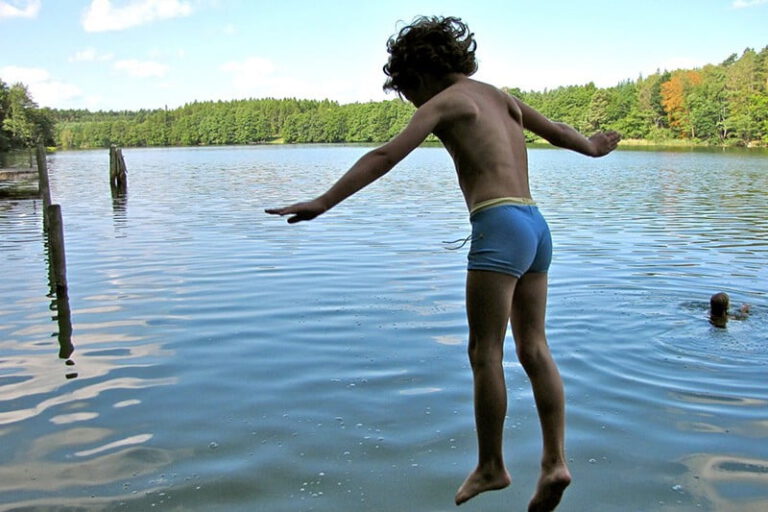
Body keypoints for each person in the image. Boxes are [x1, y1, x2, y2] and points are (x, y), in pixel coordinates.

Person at [266, 16, 620, 511]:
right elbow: (558, 132)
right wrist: (594, 147)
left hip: (498, 224)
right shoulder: (501, 97)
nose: (412, 101)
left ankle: (492, 466)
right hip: (536, 226)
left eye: (408, 90)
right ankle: (554, 461)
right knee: (535, 347)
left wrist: (324, 201)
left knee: (484, 353)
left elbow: (386, 155)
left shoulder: (445, 102)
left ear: (421, 72)